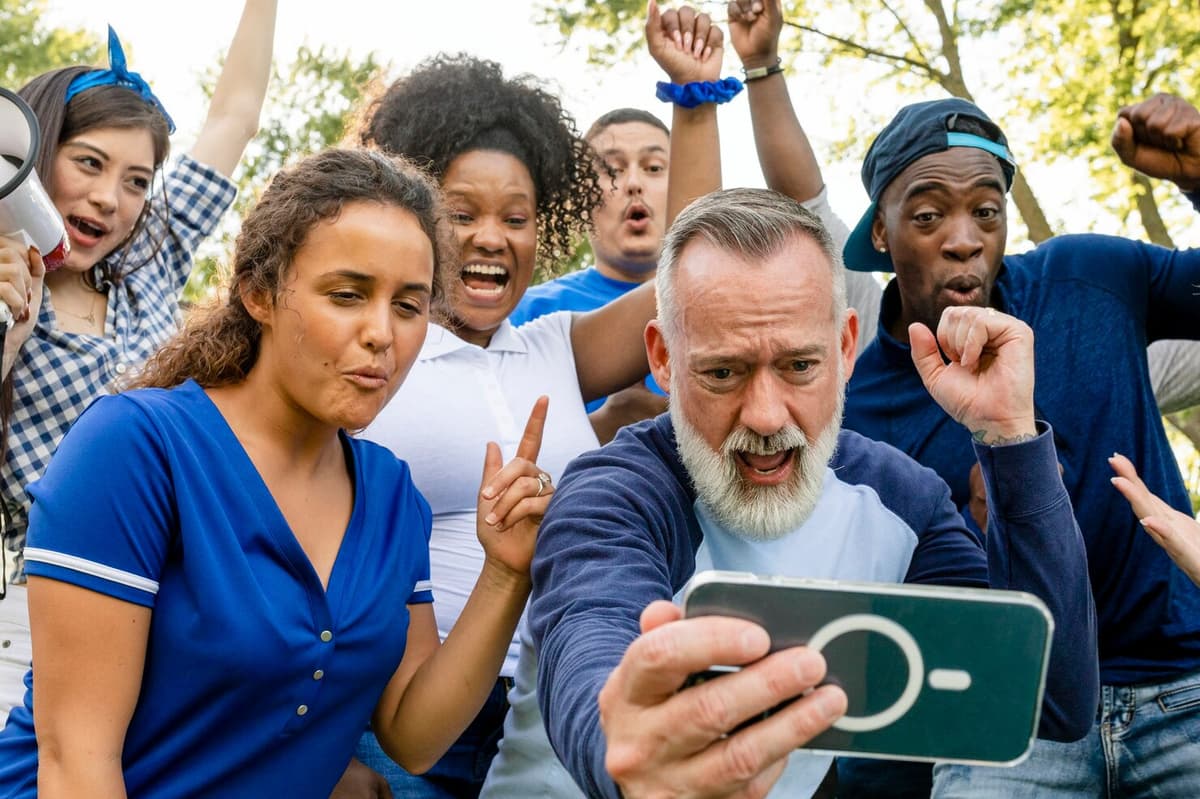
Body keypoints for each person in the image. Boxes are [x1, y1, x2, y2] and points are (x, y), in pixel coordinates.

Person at [0, 147, 556, 797]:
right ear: (259, 292)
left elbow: (412, 733)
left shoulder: (392, 494)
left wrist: (505, 572)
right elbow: (76, 763)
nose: (382, 333)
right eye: (347, 294)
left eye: (409, 306)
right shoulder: (136, 448)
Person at [523, 186, 1096, 799]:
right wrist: (628, 746)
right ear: (663, 359)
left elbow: (1045, 700)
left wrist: (1011, 439)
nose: (768, 416)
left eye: (800, 366)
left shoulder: (904, 501)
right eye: (723, 372)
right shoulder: (613, 493)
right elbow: (588, 631)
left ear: (847, 347)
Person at [351, 47, 721, 796]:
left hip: (550, 712)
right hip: (404, 721)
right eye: (462, 214)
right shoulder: (372, 356)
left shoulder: (558, 345)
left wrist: (694, 98)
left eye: (515, 217)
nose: (492, 236)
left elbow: (692, 267)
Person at [838, 93, 1200, 796]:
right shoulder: (856, 405)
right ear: (880, 233)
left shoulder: (1091, 280)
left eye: (987, 209)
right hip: (1005, 713)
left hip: (1180, 686)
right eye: (927, 214)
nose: (964, 237)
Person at [0, 0, 276, 724]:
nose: (109, 198)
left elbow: (235, 116)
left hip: (174, 609)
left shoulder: (151, 257)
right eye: (89, 163)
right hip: (38, 620)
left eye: (136, 179)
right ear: (35, 153)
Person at [508, 107, 672, 442]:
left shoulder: (734, 304)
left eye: (654, 168)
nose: (634, 184)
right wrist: (602, 429)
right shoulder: (523, 314)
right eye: (611, 169)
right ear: (579, 197)